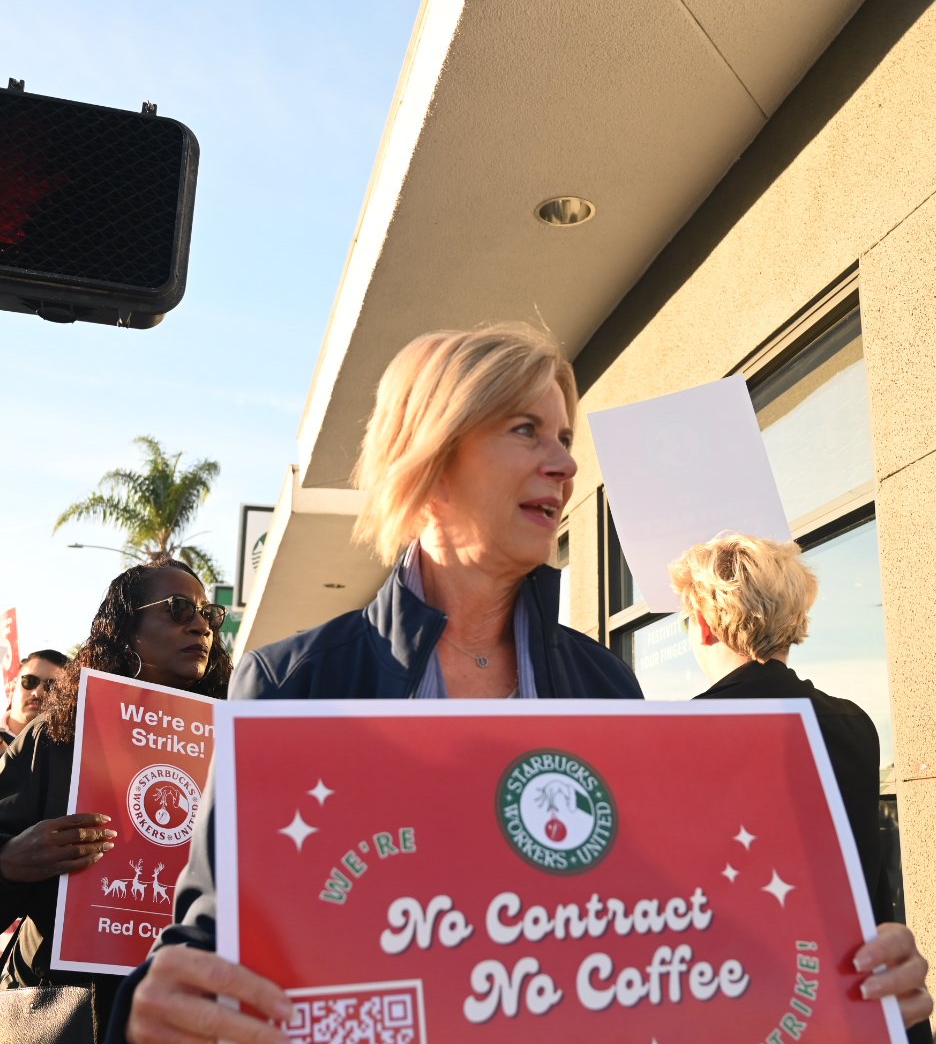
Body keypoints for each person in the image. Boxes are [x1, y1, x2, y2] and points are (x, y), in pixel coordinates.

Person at [112, 325, 930, 1043]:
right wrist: (156, 1012)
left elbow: (670, 928)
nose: (567, 463)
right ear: (432, 461)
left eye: (566, 435)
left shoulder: (604, 682)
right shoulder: (294, 684)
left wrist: (846, 972)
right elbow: (213, 939)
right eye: (526, 429)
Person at [670, 532, 933, 1040]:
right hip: (865, 995)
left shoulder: (682, 734)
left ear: (702, 623)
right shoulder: (854, 723)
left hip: (753, 1008)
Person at [0, 556, 231, 1043]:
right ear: (125, 631)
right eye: (178, 609)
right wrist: (10, 863)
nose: (200, 625)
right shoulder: (57, 738)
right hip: (65, 1009)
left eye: (208, 615)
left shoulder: (235, 747)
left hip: (184, 1011)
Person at [0, 650, 68, 753]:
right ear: (12, 687)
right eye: (29, 681)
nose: (38, 692)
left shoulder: (70, 754)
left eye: (52, 686)